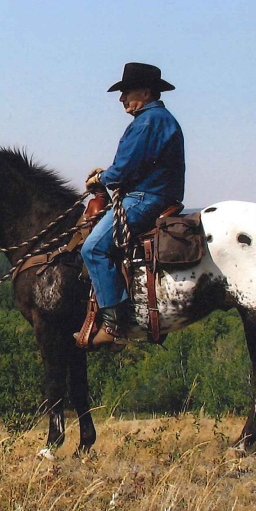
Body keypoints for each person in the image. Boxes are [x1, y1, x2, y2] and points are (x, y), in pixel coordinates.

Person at [77, 62, 185, 349]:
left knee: (93, 249)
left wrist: (101, 178)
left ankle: (114, 327)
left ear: (146, 93)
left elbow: (124, 170)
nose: (122, 98)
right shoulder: (159, 119)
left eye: (127, 92)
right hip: (155, 194)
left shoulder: (147, 122)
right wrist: (109, 175)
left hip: (144, 198)